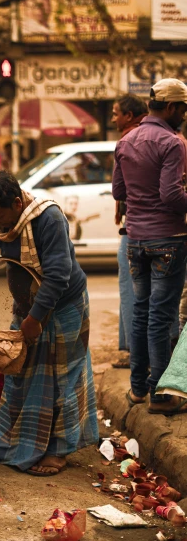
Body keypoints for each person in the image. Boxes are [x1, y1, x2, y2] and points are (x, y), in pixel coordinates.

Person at [0, 171, 98, 475]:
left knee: (62, 379)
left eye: (2, 218)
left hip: (64, 304)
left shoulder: (49, 218)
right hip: (26, 304)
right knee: (18, 373)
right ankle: (9, 443)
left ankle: (58, 451)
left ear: (18, 203)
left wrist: (35, 320)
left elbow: (58, 274)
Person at [112, 78, 187, 416]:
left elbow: (118, 191)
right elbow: (172, 196)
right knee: (160, 317)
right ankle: (159, 393)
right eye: (183, 108)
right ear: (171, 107)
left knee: (141, 313)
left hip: (136, 240)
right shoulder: (173, 142)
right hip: (168, 240)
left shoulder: (126, 140)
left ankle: (138, 389)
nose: (184, 114)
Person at [111, 93, 149, 369]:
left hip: (137, 226)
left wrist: (122, 206)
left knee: (132, 288)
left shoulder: (128, 141)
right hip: (146, 224)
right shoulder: (162, 138)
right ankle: (134, 349)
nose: (113, 118)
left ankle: (137, 353)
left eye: (116, 113)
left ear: (129, 115)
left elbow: (120, 188)